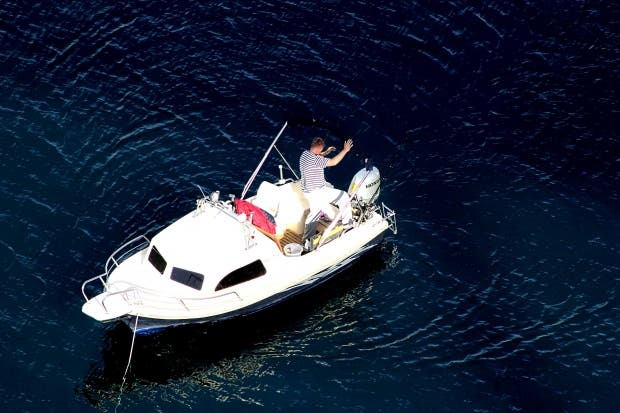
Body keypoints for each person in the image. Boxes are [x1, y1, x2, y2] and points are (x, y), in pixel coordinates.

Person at [299, 137, 354, 242]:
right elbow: (333, 162)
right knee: (344, 196)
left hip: (307, 191)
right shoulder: (316, 160)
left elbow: (317, 155)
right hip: (317, 192)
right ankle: (348, 225)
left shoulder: (305, 154)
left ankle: (307, 239)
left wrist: (327, 152)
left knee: (314, 214)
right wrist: (345, 150)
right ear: (319, 148)